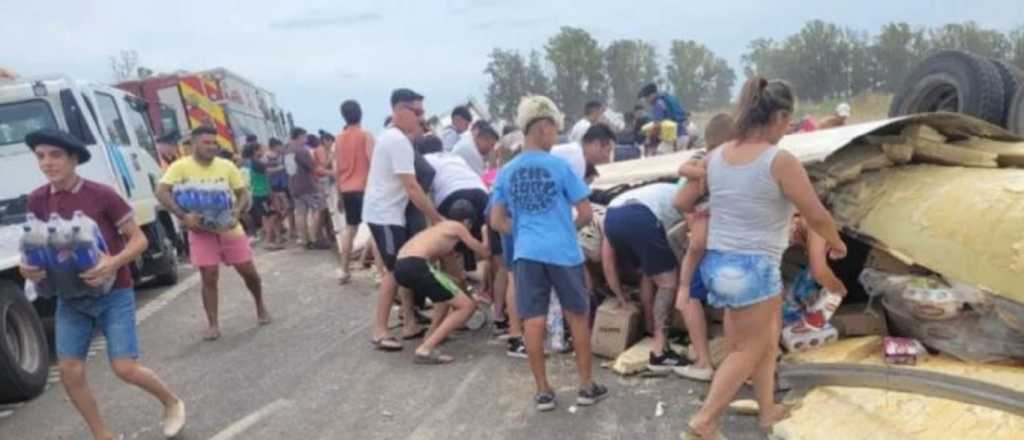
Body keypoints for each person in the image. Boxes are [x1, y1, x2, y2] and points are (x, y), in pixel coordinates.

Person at [675, 78, 847, 438]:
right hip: (754, 268)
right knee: (748, 350)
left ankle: (768, 410)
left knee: (764, 341)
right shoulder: (778, 160)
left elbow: (683, 201)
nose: (788, 129)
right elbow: (815, 214)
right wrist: (835, 243)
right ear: (779, 116)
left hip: (719, 264)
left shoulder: (716, 156)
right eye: (788, 121)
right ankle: (704, 421)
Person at [19, 128, 187, 440]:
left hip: (114, 293)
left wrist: (112, 262)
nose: (47, 163)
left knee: (124, 368)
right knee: (70, 372)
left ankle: (171, 402)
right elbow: (36, 246)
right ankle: (103, 435)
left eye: (55, 155)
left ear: (73, 159)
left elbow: (139, 240)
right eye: (41, 156)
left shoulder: (102, 195)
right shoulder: (37, 200)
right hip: (69, 298)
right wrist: (30, 270)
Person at [490, 95, 608, 412]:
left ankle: (543, 391)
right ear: (543, 128)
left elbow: (497, 221)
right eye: (554, 130)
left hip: (527, 254)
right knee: (577, 317)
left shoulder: (506, 171)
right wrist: (561, 227)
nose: (555, 137)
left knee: (533, 320)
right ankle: (586, 386)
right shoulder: (560, 166)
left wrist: (527, 229)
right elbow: (584, 213)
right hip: (563, 253)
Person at [157, 126, 271, 341]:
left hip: (229, 228)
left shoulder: (227, 166)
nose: (211, 147)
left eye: (214, 143)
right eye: (206, 142)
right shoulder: (179, 167)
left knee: (249, 272)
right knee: (208, 275)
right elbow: (161, 191)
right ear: (193, 144)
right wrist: (183, 216)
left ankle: (260, 306)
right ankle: (213, 324)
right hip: (200, 231)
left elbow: (242, 193)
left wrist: (237, 211)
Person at [365, 88, 443, 352]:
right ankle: (379, 329)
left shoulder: (397, 138)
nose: (421, 118)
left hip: (392, 213)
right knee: (394, 272)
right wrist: (437, 218)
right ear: (399, 110)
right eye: (417, 112)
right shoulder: (396, 140)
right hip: (384, 215)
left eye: (423, 112)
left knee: (402, 266)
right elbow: (412, 187)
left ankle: (409, 320)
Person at [671, 112, 735, 381]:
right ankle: (739, 365)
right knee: (734, 302)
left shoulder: (719, 163)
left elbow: (680, 202)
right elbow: (683, 174)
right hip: (723, 237)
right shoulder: (726, 162)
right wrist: (704, 174)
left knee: (692, 293)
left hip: (707, 234)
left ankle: (705, 362)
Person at [601, 181, 687, 372]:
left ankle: (649, 327)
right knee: (668, 283)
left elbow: (608, 262)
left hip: (613, 218)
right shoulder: (683, 195)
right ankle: (659, 350)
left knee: (649, 273)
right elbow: (683, 242)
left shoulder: (620, 203)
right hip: (643, 217)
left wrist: (621, 299)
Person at [393, 205, 490, 364]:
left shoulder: (437, 230)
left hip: (401, 266)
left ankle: (431, 335)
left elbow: (453, 278)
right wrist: (486, 234)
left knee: (448, 291)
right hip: (416, 265)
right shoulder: (457, 226)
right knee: (467, 306)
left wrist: (461, 288)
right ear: (467, 222)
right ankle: (425, 349)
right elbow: (483, 252)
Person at [422, 142, 489, 286]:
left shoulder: (424, 158)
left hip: (450, 194)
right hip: (480, 191)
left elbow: (424, 194)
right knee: (486, 241)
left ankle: (457, 288)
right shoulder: (454, 157)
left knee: (449, 246)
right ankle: (488, 288)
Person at [334, 100, 379, 284]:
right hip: (366, 189)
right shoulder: (366, 136)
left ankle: (344, 271)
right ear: (361, 113)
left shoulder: (338, 139)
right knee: (376, 230)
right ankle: (380, 273)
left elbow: (337, 169)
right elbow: (373, 162)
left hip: (347, 190)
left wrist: (338, 194)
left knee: (350, 230)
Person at [285, 128, 331, 249]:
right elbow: (314, 168)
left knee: (300, 213)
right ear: (299, 136)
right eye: (304, 137)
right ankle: (315, 238)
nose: (306, 140)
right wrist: (332, 173)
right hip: (307, 186)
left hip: (293, 186)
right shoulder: (301, 151)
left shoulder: (286, 151)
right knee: (318, 209)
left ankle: (304, 240)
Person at [551, 122, 616, 180]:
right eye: (608, 151)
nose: (608, 157)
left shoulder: (576, 152)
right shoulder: (577, 158)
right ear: (596, 145)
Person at [638, 83, 689, 154]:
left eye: (647, 97)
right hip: (684, 136)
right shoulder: (669, 98)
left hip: (672, 140)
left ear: (652, 95)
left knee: (658, 156)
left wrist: (649, 138)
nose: (646, 100)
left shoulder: (657, 105)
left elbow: (657, 126)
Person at [241, 142, 273, 246]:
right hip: (262, 192)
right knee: (270, 215)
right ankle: (269, 240)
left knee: (265, 216)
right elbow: (268, 174)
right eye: (261, 149)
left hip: (256, 192)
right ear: (255, 151)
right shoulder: (257, 163)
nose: (263, 151)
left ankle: (268, 237)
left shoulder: (250, 162)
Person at [265, 138, 289, 248]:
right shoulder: (269, 157)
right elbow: (267, 172)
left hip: (278, 186)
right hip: (274, 188)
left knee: (279, 213)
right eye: (280, 146)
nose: (281, 148)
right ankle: (273, 238)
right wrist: (282, 167)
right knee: (276, 213)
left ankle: (278, 236)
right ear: (275, 146)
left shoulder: (276, 156)